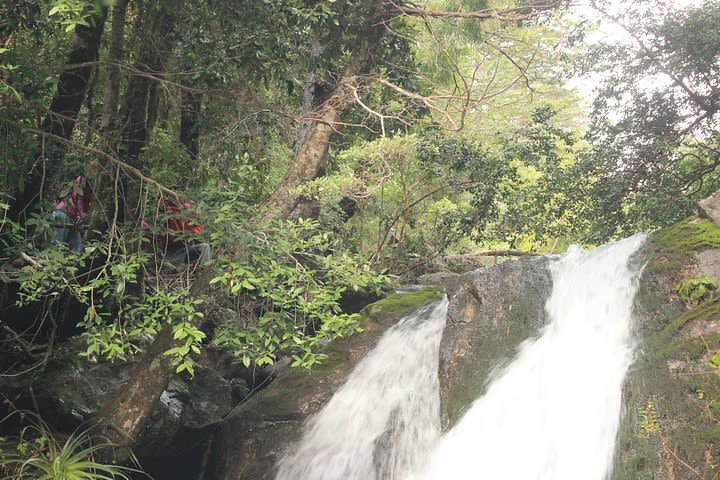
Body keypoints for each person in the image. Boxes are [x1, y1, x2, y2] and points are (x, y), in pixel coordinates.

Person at [144, 198, 211, 268]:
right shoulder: (168, 211)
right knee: (171, 266)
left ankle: (203, 271)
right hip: (173, 252)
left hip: (186, 249)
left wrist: (190, 235)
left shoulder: (189, 214)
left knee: (205, 247)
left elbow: (198, 230)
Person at [51, 162, 97, 252]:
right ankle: (50, 263)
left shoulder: (91, 185)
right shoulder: (80, 180)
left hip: (72, 217)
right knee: (58, 243)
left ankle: (73, 264)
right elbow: (77, 199)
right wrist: (81, 216)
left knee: (77, 246)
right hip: (63, 213)